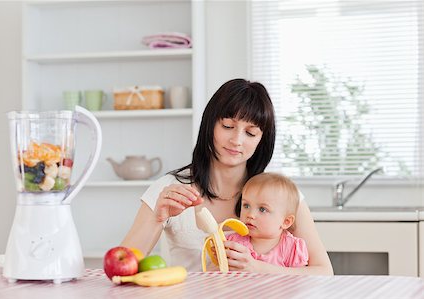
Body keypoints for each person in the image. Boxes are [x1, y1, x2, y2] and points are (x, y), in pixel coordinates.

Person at [121, 78, 333, 275]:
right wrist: (157, 219)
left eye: (250, 133)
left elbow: (323, 272)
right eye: (228, 126)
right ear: (210, 124)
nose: (236, 140)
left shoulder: (282, 195)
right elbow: (121, 266)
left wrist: (258, 268)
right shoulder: (170, 189)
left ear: (262, 140)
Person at [226, 172, 308, 268]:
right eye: (246, 205)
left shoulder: (291, 248)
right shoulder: (233, 242)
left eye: (262, 209)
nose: (250, 215)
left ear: (286, 222)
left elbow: (301, 280)